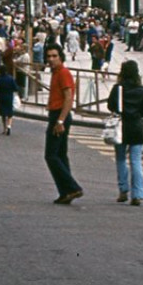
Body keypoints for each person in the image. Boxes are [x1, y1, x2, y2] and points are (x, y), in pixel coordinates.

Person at [108, 59, 143, 205]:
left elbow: (110, 105)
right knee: (136, 161)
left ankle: (123, 190)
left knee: (120, 159)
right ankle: (138, 194)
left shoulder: (118, 88)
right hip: (137, 128)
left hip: (120, 128)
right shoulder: (142, 90)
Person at [43, 45, 83, 204]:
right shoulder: (56, 73)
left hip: (60, 115)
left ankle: (72, 187)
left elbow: (68, 98)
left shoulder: (63, 73)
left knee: (51, 155)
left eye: (54, 56)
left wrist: (60, 120)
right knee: (60, 155)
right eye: (49, 56)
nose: (51, 59)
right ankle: (66, 192)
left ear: (61, 57)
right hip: (57, 114)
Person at [0, 67, 18, 135]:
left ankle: (4, 128)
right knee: (9, 112)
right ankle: (9, 126)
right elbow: (15, 88)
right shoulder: (10, 78)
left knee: (3, 113)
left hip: (1, 96)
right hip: (9, 96)